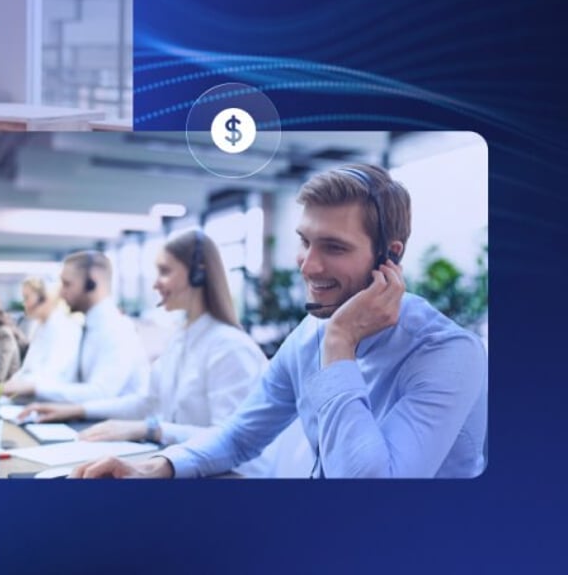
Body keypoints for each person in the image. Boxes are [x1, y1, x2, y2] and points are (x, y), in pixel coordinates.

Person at [71, 164, 488, 479]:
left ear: (390, 256)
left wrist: (340, 342)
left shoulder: (448, 354)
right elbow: (238, 435)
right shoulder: (311, 335)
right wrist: (153, 468)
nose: (309, 266)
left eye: (334, 247)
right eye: (305, 242)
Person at [22, 230, 274, 476]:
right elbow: (148, 402)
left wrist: (150, 429)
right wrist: (77, 411)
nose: (155, 283)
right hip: (182, 467)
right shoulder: (181, 338)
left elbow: (230, 439)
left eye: (164, 271)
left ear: (198, 274)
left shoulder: (230, 347)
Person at [1, 252, 148, 402]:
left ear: (92, 282)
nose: (61, 293)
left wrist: (34, 388)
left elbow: (101, 393)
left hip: (117, 422)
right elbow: (71, 382)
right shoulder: (90, 327)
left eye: (67, 284)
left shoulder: (118, 329)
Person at [6, 278, 82, 391]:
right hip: (30, 394)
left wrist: (15, 387)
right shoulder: (40, 327)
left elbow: (53, 378)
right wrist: (8, 385)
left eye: (27, 298)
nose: (24, 304)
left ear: (45, 298)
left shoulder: (64, 328)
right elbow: (27, 369)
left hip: (49, 399)